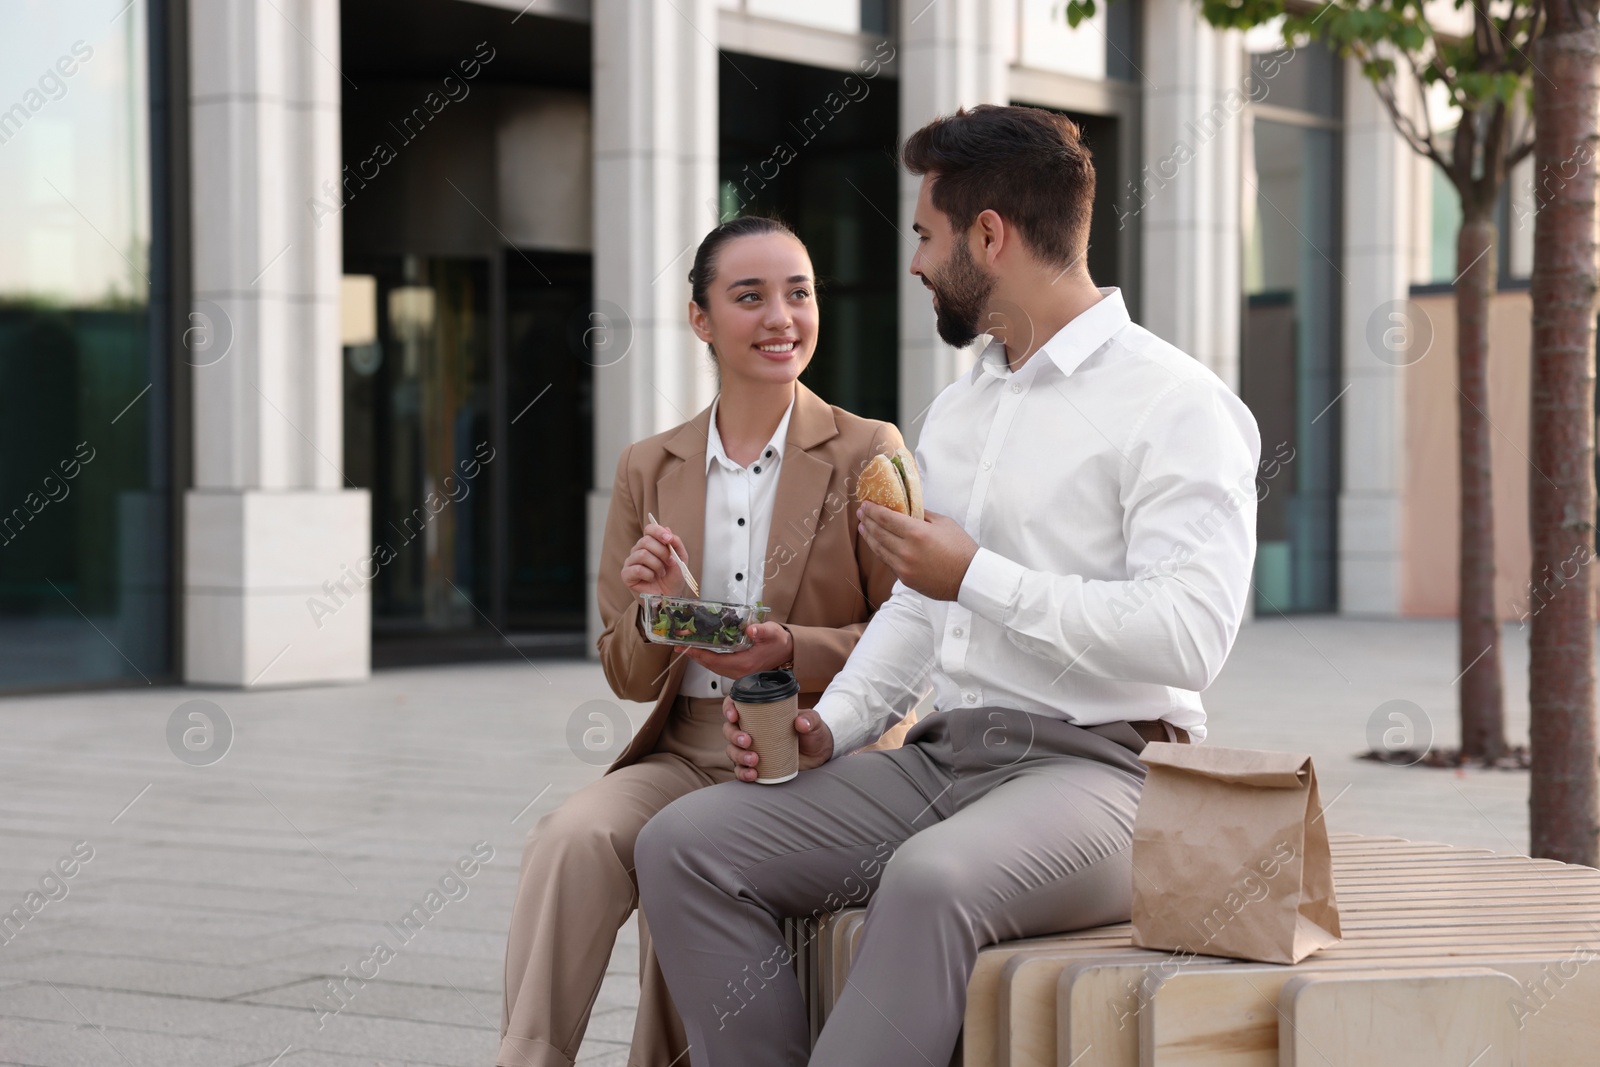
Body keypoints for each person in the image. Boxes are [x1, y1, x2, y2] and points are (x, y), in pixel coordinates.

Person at [635, 105, 1262, 1066]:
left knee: (929, 880)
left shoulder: (1179, 405)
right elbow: (923, 607)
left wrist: (978, 575)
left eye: (926, 235)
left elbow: (1187, 637)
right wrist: (831, 726)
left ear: (989, 235)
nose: (917, 262)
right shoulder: (961, 408)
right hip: (943, 762)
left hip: (1108, 776)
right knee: (684, 846)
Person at [498, 215, 914, 1067]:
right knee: (571, 837)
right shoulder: (648, 467)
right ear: (701, 319)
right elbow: (624, 668)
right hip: (683, 749)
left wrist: (789, 647)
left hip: (814, 753)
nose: (781, 318)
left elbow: (911, 637)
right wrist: (660, 609)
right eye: (749, 296)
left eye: (798, 293)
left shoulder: (870, 452)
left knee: (681, 862)